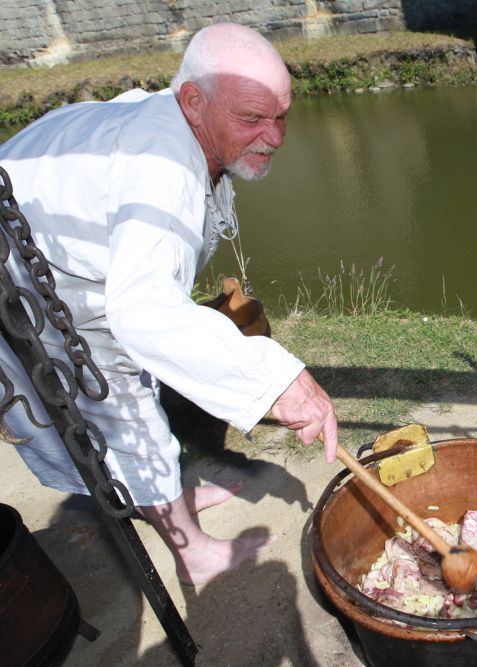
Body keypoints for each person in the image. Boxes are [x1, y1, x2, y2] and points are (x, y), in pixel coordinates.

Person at [0, 23, 338, 586]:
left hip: (60, 245)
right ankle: (193, 551)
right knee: (123, 409)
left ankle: (169, 492)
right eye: (253, 118)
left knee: (144, 383)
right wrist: (277, 381)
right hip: (26, 272)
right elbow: (142, 313)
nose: (275, 136)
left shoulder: (176, 119)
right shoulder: (163, 168)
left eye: (281, 115)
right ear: (193, 101)